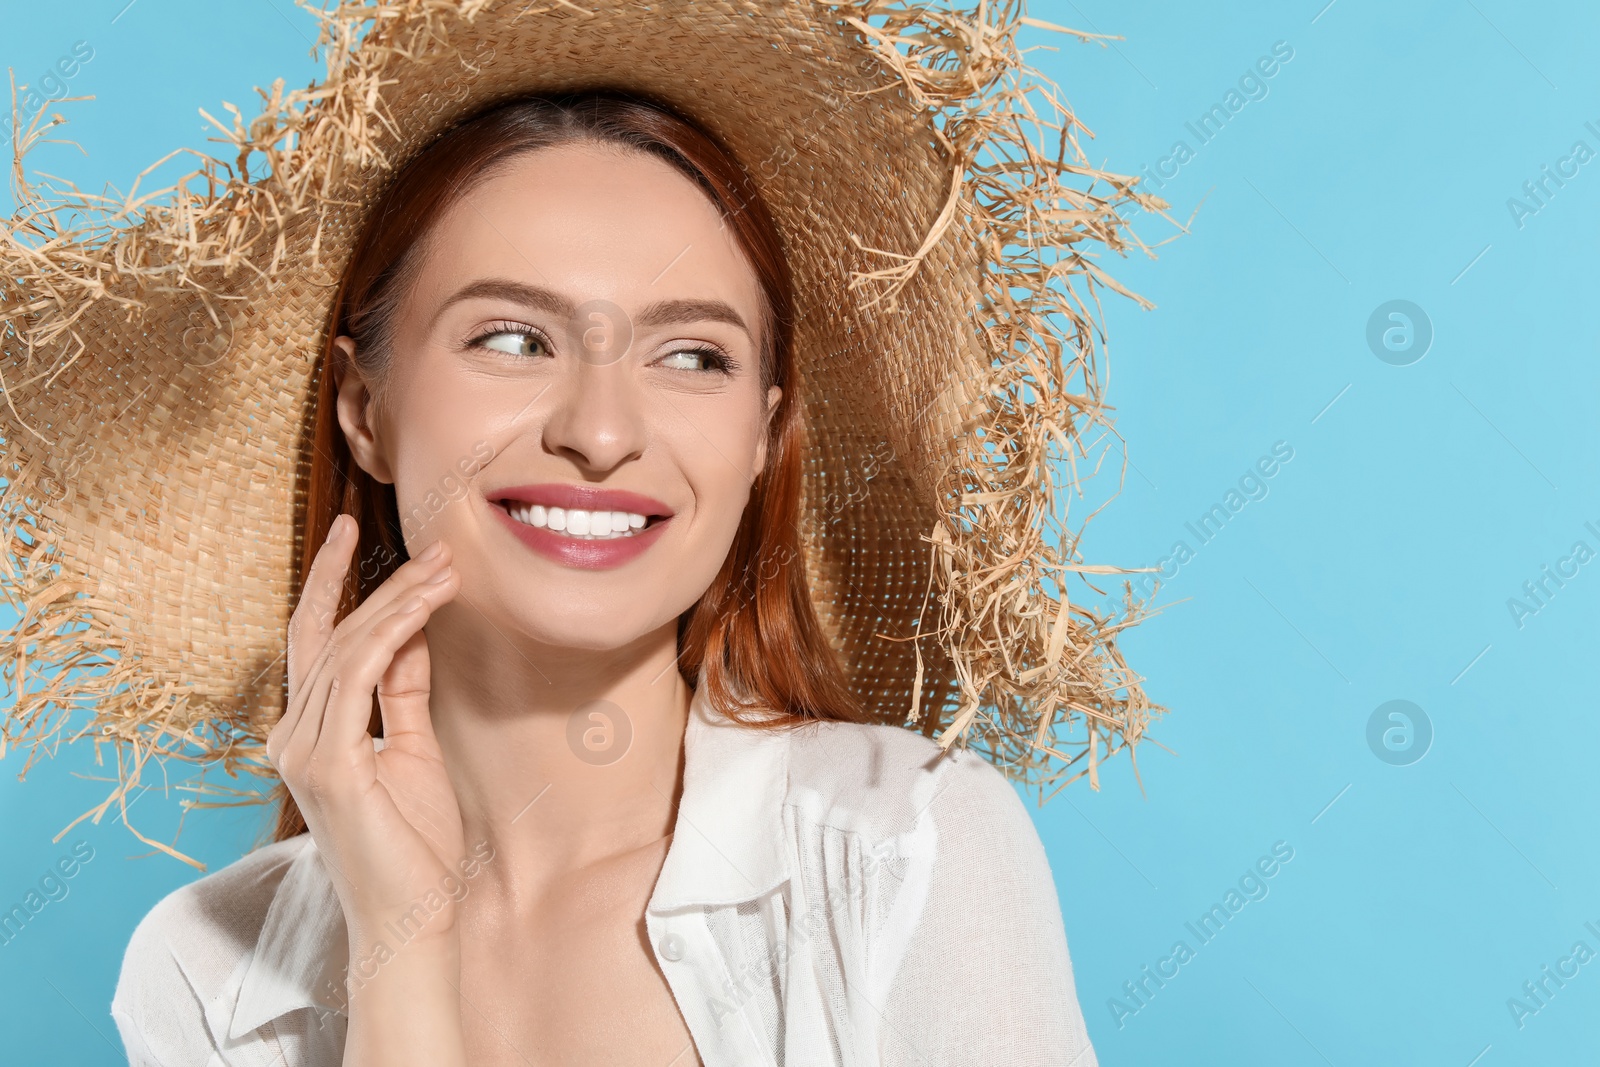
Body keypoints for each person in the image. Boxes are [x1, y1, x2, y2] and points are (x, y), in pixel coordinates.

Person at [0, 3, 1161, 1065]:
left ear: (760, 437)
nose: (602, 431)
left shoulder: (900, 846)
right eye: (513, 339)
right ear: (366, 410)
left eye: (692, 353)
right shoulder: (207, 971)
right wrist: (404, 950)